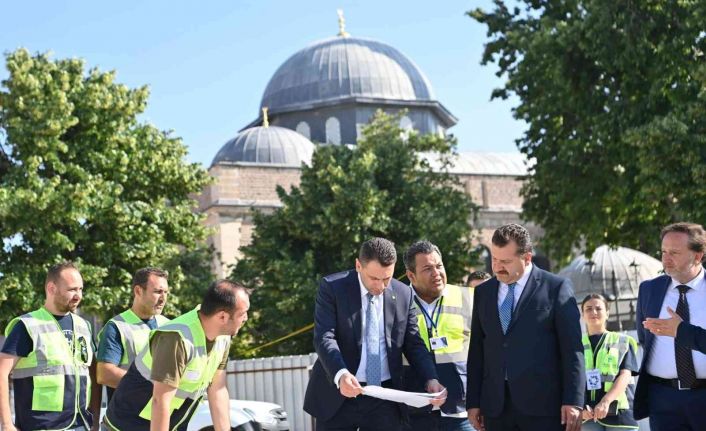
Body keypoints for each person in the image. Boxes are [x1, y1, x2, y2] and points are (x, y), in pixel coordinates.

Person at [304, 237, 446, 431]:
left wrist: (431, 378)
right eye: (374, 279)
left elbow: (414, 343)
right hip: (339, 395)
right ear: (358, 266)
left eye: (387, 279)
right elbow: (324, 337)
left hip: (384, 398)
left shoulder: (403, 294)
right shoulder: (333, 288)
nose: (381, 287)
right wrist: (341, 374)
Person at [466, 223, 584, 431]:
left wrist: (573, 400)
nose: (497, 267)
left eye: (505, 261)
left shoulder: (556, 288)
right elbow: (477, 350)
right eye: (494, 259)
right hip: (496, 409)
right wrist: (473, 402)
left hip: (544, 408)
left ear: (527, 257)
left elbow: (572, 349)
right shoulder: (483, 293)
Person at [103, 279, 250, 431]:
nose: (246, 318)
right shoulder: (176, 338)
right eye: (242, 313)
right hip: (126, 426)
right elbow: (161, 401)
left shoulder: (223, 337)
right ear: (222, 317)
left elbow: (217, 390)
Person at [0, 261, 101, 431]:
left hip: (81, 425)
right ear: (51, 288)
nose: (78, 295)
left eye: (80, 289)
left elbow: (93, 373)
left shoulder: (84, 326)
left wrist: (95, 420)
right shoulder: (28, 325)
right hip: (40, 426)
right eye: (72, 290)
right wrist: (7, 424)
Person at [634, 222, 706, 430]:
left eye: (674, 252)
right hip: (663, 400)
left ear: (698, 256)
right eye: (663, 251)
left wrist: (681, 331)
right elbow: (644, 338)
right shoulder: (649, 289)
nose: (666, 258)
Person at [402, 240, 475, 431]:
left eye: (439, 266)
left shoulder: (469, 298)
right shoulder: (397, 302)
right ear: (411, 275)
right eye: (427, 269)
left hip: (461, 411)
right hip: (414, 411)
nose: (436, 273)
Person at [97, 267, 170, 402]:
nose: (163, 298)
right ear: (138, 291)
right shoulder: (117, 327)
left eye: (166, 292)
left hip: (161, 411)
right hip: (127, 413)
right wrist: (152, 385)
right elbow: (105, 374)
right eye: (157, 292)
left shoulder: (169, 326)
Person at [579, 294, 639, 430]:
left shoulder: (622, 341)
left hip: (619, 414)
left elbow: (625, 375)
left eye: (598, 308)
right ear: (583, 315)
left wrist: (605, 402)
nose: (594, 312)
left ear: (607, 313)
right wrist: (579, 407)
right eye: (588, 309)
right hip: (587, 416)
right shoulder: (575, 345)